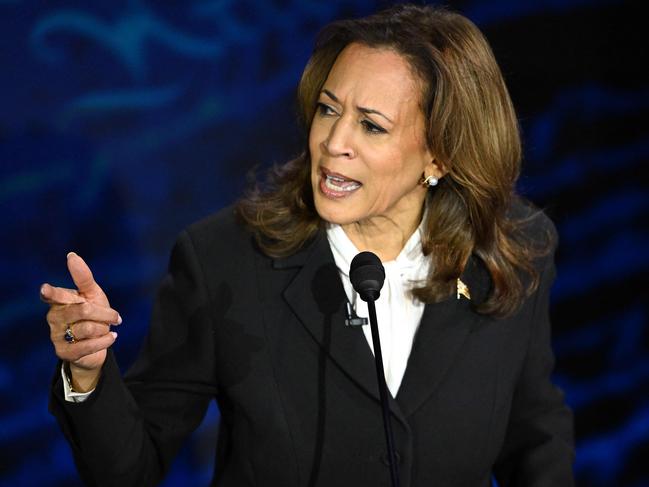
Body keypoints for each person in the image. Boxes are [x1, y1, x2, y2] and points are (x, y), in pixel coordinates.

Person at [42, 4, 575, 486]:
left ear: (440, 156)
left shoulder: (511, 249)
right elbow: (129, 470)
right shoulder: (225, 261)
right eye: (328, 110)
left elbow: (535, 440)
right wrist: (87, 375)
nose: (334, 143)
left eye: (371, 126)